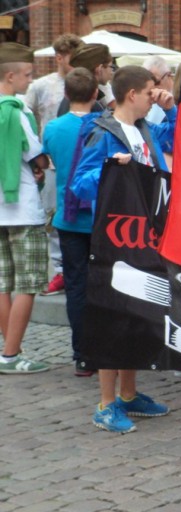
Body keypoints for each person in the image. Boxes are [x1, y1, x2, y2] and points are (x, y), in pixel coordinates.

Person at [71, 65, 175, 432]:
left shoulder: (146, 128)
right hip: (115, 239)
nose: (153, 98)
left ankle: (129, 395)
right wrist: (109, 167)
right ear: (132, 94)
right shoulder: (102, 132)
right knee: (112, 319)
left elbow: (180, 140)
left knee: (137, 315)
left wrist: (171, 108)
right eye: (149, 92)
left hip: (145, 236)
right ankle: (106, 403)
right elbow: (80, 185)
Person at [41, 68, 99, 377]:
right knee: (103, 286)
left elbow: (49, 157)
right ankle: (106, 349)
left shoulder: (53, 127)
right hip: (100, 218)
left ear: (66, 94)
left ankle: (83, 355)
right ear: (95, 94)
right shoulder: (105, 126)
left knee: (76, 287)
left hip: (69, 217)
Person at [0, 42, 50, 374]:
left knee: (2, 283)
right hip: (22, 207)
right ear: (10, 76)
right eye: (28, 75)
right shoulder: (17, 112)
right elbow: (38, 156)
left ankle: (10, 348)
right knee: (29, 284)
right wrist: (39, 166)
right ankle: (10, 356)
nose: (30, 81)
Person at [24, 33, 82, 297]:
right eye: (72, 58)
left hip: (80, 160)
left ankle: (81, 268)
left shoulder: (85, 83)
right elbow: (27, 115)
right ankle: (60, 269)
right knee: (53, 216)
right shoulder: (41, 85)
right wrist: (35, 154)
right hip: (51, 162)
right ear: (59, 58)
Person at [57, 43, 115, 116]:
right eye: (110, 67)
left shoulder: (74, 97)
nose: (111, 72)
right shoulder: (89, 102)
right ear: (99, 69)